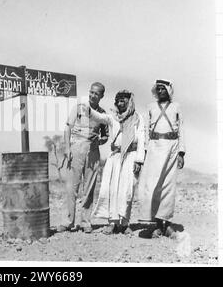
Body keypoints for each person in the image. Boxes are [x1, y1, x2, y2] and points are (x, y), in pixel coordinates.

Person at [88, 90, 145, 234]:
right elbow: (99, 117)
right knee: (111, 190)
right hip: (115, 157)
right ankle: (112, 223)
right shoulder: (113, 118)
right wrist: (86, 106)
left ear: (129, 101)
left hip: (131, 156)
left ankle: (124, 223)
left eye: (123, 99)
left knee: (127, 190)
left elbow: (141, 139)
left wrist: (139, 160)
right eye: (118, 99)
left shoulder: (138, 118)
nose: (120, 102)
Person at [57, 82, 109, 234]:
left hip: (93, 151)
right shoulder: (79, 108)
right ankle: (67, 222)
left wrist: (99, 141)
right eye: (91, 92)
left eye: (96, 93)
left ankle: (86, 221)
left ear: (101, 96)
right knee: (71, 187)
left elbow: (106, 136)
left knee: (89, 187)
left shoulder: (102, 114)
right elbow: (67, 128)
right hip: (76, 147)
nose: (93, 95)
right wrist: (67, 148)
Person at [138, 79, 185, 238]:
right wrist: (144, 150)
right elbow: (145, 129)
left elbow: (181, 131)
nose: (160, 92)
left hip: (171, 147)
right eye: (157, 89)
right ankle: (157, 225)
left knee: (168, 185)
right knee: (153, 185)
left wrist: (181, 153)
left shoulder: (176, 107)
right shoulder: (150, 107)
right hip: (154, 147)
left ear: (169, 90)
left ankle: (167, 224)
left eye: (162, 89)